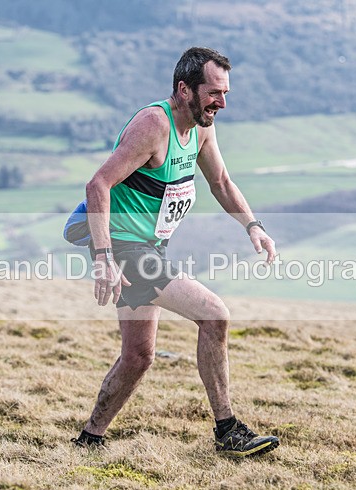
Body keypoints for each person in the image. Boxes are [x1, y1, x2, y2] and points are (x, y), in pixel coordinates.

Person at [72, 47, 279, 457]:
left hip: (149, 248)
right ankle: (227, 431)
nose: (221, 102)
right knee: (214, 314)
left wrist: (252, 225)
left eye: (225, 93)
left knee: (138, 357)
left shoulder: (202, 126)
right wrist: (103, 258)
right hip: (125, 249)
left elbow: (220, 181)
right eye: (214, 92)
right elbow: (98, 185)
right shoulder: (153, 125)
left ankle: (89, 439)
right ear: (184, 90)